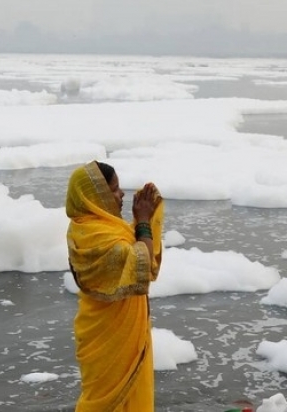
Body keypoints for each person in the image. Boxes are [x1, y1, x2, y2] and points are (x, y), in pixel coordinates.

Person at [66, 160, 163, 411]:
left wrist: (141, 221)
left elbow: (130, 251)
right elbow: (139, 261)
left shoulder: (90, 227)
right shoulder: (97, 235)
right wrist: (142, 221)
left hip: (110, 327)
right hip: (108, 333)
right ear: (95, 196)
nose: (121, 195)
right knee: (104, 400)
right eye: (114, 189)